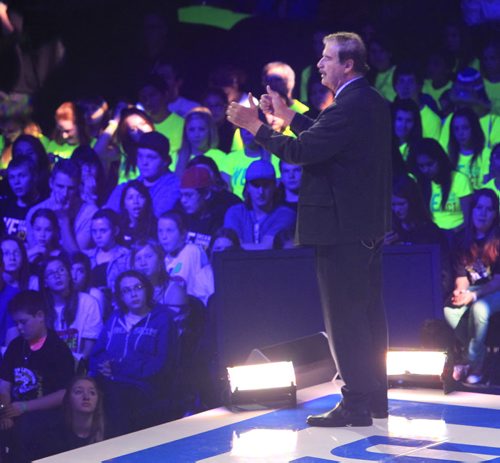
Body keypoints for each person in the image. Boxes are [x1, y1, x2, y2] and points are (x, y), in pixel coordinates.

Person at [227, 31, 391, 426]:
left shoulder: (349, 106)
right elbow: (325, 134)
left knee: (345, 320)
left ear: (348, 64)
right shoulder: (368, 102)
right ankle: (374, 399)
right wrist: (287, 117)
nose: (319, 64)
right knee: (367, 315)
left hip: (339, 229)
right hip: (361, 228)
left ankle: (355, 404)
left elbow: (303, 151)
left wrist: (256, 127)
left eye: (327, 57)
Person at [89, 270, 177, 437]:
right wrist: (102, 366)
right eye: (126, 290)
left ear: (147, 289)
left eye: (137, 287)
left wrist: (119, 367)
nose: (133, 294)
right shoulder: (115, 318)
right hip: (107, 381)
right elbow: (97, 353)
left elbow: (163, 364)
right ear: (120, 296)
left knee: (115, 399)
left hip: (143, 386)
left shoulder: (162, 319)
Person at [0, 290, 74, 462]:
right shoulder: (16, 346)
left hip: (45, 412)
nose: (19, 328)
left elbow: (64, 394)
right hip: (14, 409)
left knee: (26, 429)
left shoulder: (58, 349)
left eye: (23, 322)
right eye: (16, 323)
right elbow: (4, 383)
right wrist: (4, 409)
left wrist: (25, 407)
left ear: (40, 316)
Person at [444, 189, 500, 384]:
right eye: (479, 207)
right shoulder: (462, 238)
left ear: (495, 214)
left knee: (479, 310)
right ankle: (478, 352)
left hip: (496, 289)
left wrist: (472, 297)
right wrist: (461, 291)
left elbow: (496, 281)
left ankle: (474, 364)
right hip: (476, 289)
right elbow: (462, 276)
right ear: (472, 210)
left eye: (489, 209)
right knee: (450, 311)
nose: (483, 213)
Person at [25, 158, 99, 252]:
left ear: (78, 187)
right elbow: (37, 254)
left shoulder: (90, 214)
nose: (65, 193)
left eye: (71, 188)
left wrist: (63, 219)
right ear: (51, 183)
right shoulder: (34, 212)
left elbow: (76, 259)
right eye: (60, 186)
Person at [223, 160, 296, 250]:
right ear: (248, 187)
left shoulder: (285, 214)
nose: (261, 192)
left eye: (266, 185)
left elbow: (267, 247)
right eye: (256, 185)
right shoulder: (235, 213)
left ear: (274, 186)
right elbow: (229, 246)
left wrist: (238, 248)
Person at [40, 255, 103, 359]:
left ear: (69, 275)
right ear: (45, 282)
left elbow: (89, 349)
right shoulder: (39, 307)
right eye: (50, 273)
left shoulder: (88, 303)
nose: (57, 275)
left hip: (79, 368)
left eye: (61, 270)